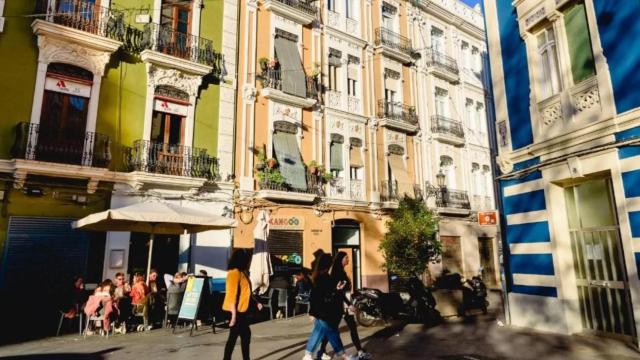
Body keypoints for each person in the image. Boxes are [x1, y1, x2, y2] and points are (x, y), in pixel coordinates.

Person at [318, 252, 372, 359]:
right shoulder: (338, 273)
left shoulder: (340, 272)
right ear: (341, 259)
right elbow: (339, 292)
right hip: (339, 305)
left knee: (351, 327)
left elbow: (343, 291)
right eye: (346, 258)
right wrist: (349, 304)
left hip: (344, 303)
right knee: (333, 328)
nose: (348, 260)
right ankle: (322, 351)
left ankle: (360, 351)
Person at [303, 254, 356, 360]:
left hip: (321, 310)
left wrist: (336, 289)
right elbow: (318, 296)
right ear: (328, 265)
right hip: (324, 311)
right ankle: (343, 355)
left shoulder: (319, 277)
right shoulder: (324, 278)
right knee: (332, 332)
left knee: (319, 332)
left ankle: (308, 355)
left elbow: (318, 295)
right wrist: (312, 312)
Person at [222, 249, 263, 360]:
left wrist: (256, 302)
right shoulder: (233, 273)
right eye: (246, 259)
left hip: (241, 311)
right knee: (237, 337)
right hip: (235, 311)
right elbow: (232, 295)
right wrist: (234, 316)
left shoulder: (242, 273)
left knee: (242, 336)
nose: (248, 262)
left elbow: (246, 292)